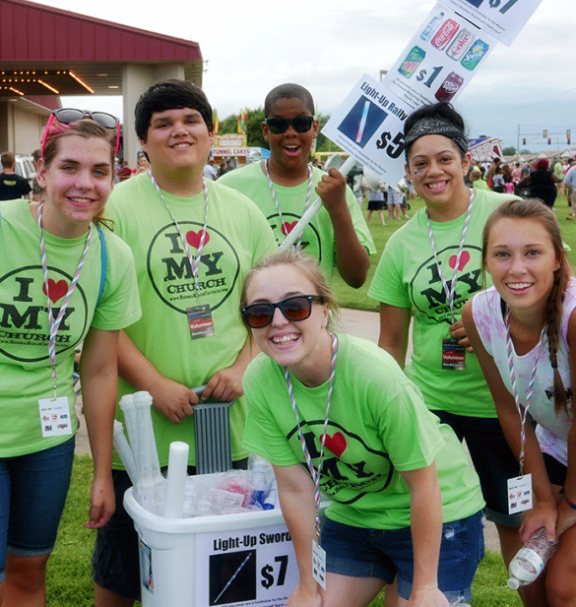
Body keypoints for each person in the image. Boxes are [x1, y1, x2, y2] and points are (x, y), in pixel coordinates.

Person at [0, 114, 141, 607]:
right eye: (70, 167)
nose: (84, 184)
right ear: (42, 171)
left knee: (28, 577)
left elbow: (98, 369)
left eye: (99, 171)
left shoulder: (112, 257)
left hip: (45, 441)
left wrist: (98, 475)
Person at [92, 79, 278, 607]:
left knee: (228, 556)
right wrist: (154, 385)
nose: (180, 131)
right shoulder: (118, 208)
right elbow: (102, 322)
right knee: (128, 560)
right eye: (163, 123)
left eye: (191, 119)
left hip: (233, 419)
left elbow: (270, 305)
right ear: (142, 142)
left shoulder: (240, 210)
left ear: (212, 131)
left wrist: (245, 365)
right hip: (149, 427)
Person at [240, 250, 485, 607]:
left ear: (325, 311)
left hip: (440, 509)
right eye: (260, 312)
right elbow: (295, 488)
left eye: (295, 306)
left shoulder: (374, 375)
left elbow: (425, 485)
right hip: (354, 515)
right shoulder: (261, 380)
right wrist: (307, 584)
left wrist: (426, 587)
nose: (277, 322)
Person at [366, 102, 532, 599]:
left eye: (444, 159)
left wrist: (494, 320)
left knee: (515, 520)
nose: (433, 172)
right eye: (420, 164)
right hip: (430, 403)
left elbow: (549, 294)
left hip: (499, 402)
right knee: (419, 511)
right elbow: (392, 341)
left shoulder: (506, 213)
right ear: (408, 173)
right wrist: (383, 407)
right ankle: (425, 592)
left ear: (464, 161)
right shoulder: (401, 243)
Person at [463, 200, 576, 606]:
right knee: (531, 577)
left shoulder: (573, 317)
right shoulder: (479, 313)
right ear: (487, 262)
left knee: (565, 586)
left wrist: (569, 505)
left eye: (533, 252)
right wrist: (543, 499)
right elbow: (509, 409)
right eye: (502, 254)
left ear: (558, 260)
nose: (517, 268)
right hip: (555, 449)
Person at [218, 83, 374, 288]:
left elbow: (357, 277)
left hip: (314, 318)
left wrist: (338, 209)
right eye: (278, 125)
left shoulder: (334, 189)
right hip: (253, 317)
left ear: (315, 128)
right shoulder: (229, 188)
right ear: (266, 131)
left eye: (301, 123)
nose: (291, 132)